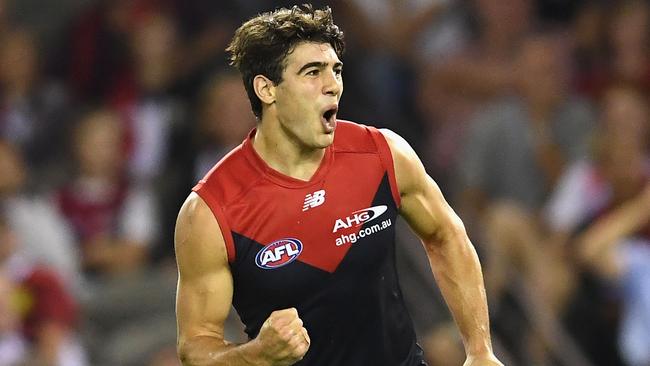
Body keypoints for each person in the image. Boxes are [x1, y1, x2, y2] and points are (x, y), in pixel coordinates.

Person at [174, 5, 503, 366]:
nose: (332, 86)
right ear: (267, 90)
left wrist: (480, 350)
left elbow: (446, 236)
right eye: (312, 72)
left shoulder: (382, 153)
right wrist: (256, 355)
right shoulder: (210, 211)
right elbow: (195, 349)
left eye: (336, 70)